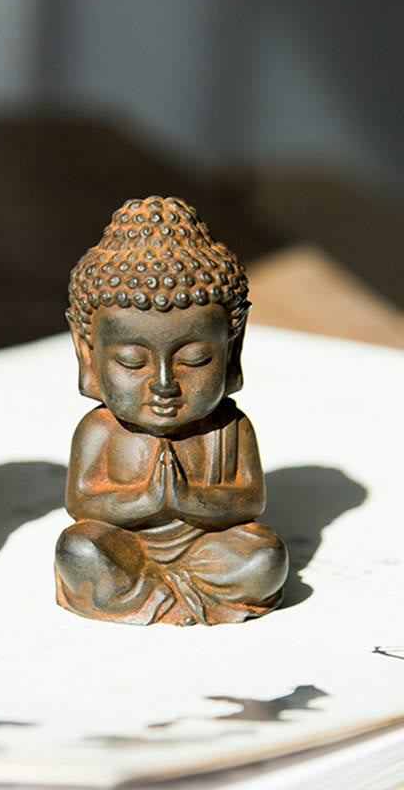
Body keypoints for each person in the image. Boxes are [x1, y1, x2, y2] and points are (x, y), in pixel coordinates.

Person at [56, 196, 288, 626]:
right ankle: (168, 594)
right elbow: (82, 503)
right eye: (131, 362)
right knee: (80, 548)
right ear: (87, 352)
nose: (164, 383)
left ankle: (152, 594)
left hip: (206, 547)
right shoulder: (100, 429)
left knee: (264, 556)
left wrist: (189, 500)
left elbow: (250, 501)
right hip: (125, 544)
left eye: (195, 359)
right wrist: (147, 500)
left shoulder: (230, 427)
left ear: (232, 348)